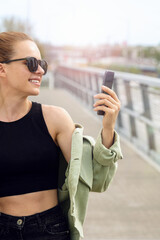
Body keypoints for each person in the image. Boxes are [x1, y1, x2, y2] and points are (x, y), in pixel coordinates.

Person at [0, 31, 123, 240]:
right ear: (2, 68)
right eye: (30, 63)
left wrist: (108, 128)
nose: (40, 70)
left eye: (42, 64)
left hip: (49, 230)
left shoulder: (54, 119)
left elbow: (96, 180)